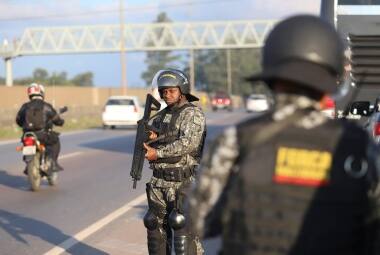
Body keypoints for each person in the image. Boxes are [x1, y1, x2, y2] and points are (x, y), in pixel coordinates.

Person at [188, 15, 380, 254]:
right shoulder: (360, 146)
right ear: (332, 77)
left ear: (272, 75)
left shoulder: (237, 140)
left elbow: (200, 220)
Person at [143, 69, 206, 255]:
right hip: (158, 182)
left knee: (181, 226)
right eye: (163, 91)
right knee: (153, 225)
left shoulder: (192, 114)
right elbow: (157, 136)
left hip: (182, 182)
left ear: (182, 90)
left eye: (171, 90)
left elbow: (187, 143)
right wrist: (149, 138)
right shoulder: (162, 115)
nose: (166, 95)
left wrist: (157, 152)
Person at [16, 83, 65, 173]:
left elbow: (18, 120)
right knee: (55, 140)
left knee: (25, 145)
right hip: (42, 135)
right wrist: (61, 122)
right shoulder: (46, 106)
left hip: (27, 136)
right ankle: (53, 163)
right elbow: (56, 119)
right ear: (41, 93)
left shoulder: (24, 106)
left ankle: (28, 165)